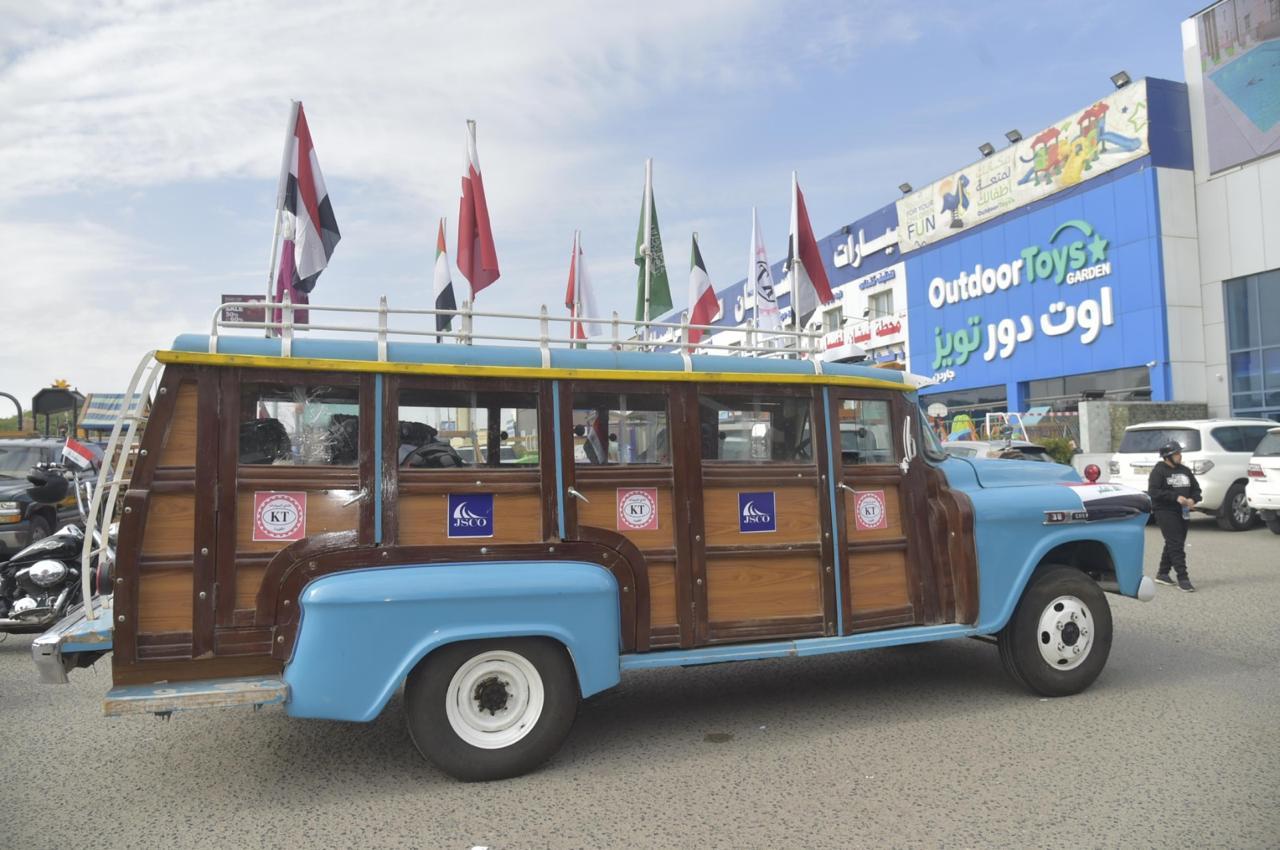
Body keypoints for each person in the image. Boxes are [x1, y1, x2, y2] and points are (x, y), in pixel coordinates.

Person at [1147, 440, 1202, 592]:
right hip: (1164, 511)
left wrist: (1193, 499)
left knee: (1174, 542)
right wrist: (1175, 497)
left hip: (1183, 511)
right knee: (1176, 543)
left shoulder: (1185, 470)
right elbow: (1153, 492)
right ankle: (1183, 578)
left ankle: (1163, 573)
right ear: (1167, 457)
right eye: (1176, 453)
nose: (1180, 456)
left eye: (1179, 453)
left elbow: (1196, 490)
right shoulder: (1159, 471)